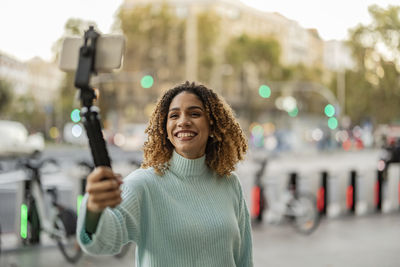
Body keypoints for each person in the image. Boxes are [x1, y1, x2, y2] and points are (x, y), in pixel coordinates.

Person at [77, 81, 253, 267]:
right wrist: (94, 209)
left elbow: (244, 258)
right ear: (165, 128)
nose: (183, 121)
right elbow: (102, 242)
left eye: (195, 113)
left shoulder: (230, 183)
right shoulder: (143, 184)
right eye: (174, 115)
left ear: (212, 124)